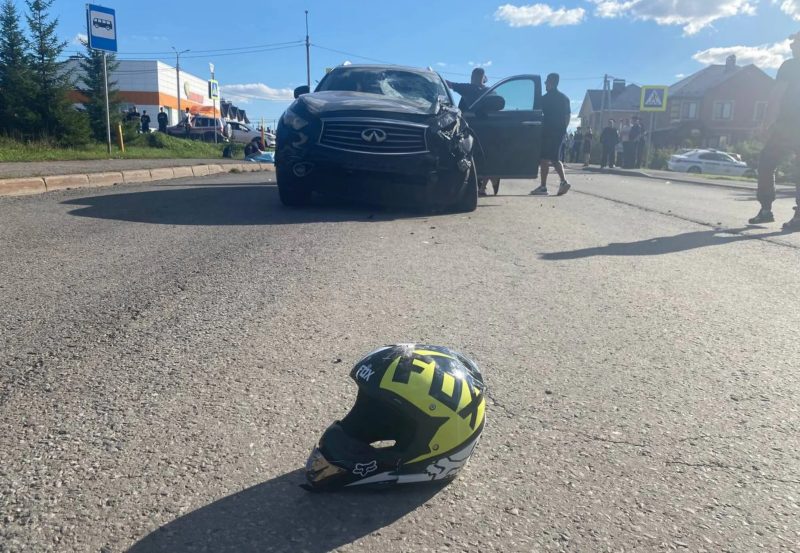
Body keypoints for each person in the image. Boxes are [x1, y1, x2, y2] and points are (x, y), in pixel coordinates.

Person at [749, 31, 800, 230]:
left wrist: (765, 124)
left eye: (795, 43)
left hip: (789, 125)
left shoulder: (790, 66)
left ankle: (765, 210)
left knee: (767, 162)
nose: (791, 46)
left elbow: (776, 96)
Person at [446, 68, 497, 196]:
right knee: (486, 156)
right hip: (488, 128)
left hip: (470, 128)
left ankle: (482, 184)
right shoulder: (490, 91)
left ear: (474, 76)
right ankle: (484, 185)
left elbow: (449, 84)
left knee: (469, 155)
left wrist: (434, 76)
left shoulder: (469, 88)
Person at [530, 73, 571, 196]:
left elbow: (535, 113)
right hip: (559, 132)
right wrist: (563, 129)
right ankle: (556, 183)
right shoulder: (564, 98)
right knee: (552, 158)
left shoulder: (544, 99)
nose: (545, 84)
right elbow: (567, 116)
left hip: (547, 132)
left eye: (546, 82)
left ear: (550, 82)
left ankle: (551, 185)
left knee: (547, 159)